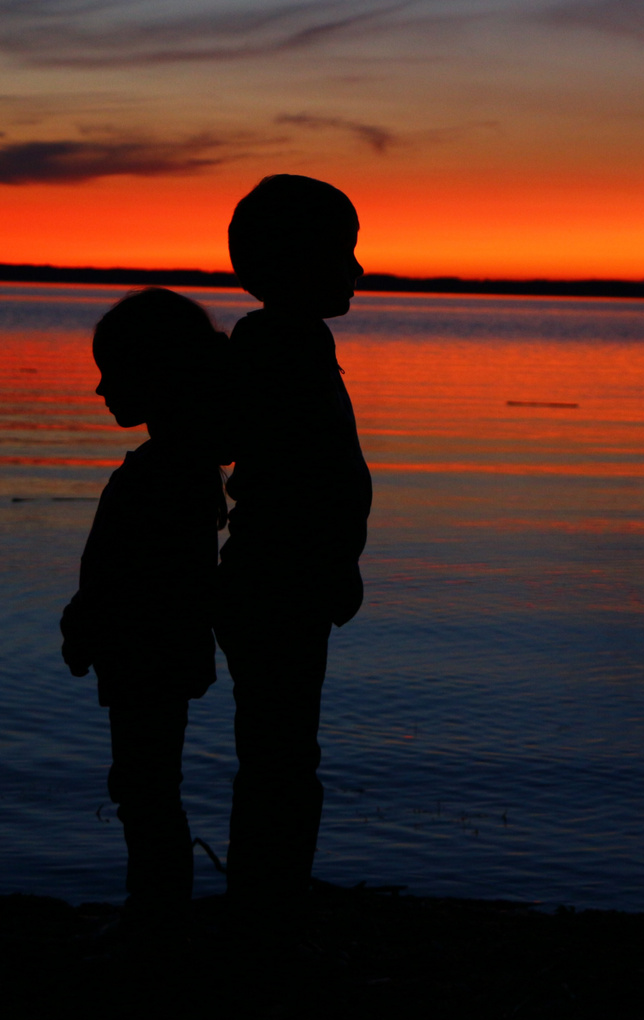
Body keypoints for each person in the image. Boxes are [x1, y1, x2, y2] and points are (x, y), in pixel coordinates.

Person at [217, 175, 373, 912]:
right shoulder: (279, 344)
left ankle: (269, 894)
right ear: (297, 261)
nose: (358, 269)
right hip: (278, 578)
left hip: (289, 576)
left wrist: (340, 563)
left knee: (280, 749)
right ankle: (268, 902)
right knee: (281, 753)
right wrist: (333, 563)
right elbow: (304, 477)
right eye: (345, 252)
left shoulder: (292, 339)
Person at [60, 287, 230, 933]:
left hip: (147, 656)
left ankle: (157, 913)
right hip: (155, 653)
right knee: (145, 784)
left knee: (144, 787)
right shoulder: (182, 468)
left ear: (155, 375)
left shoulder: (164, 474)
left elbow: (139, 577)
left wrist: (88, 623)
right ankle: (158, 907)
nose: (101, 390)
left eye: (112, 373)